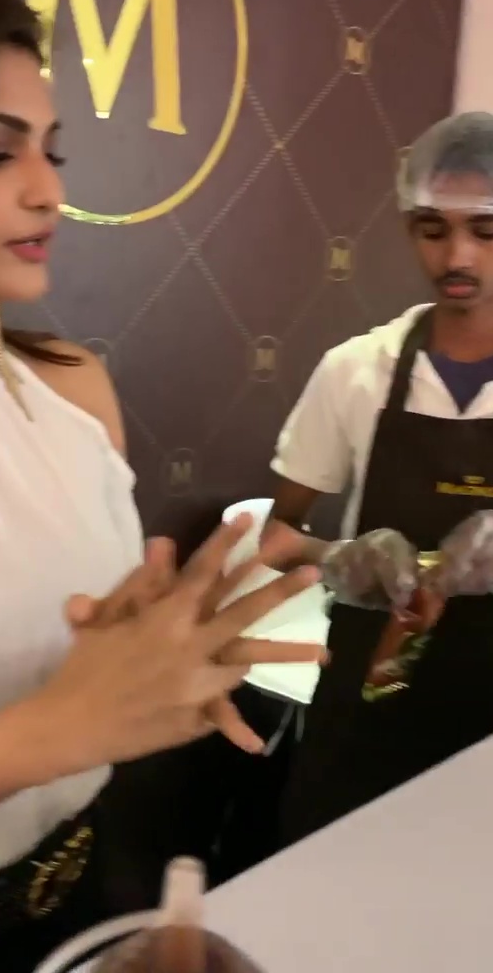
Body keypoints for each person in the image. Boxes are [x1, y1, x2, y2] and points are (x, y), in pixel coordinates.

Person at [0, 0, 325, 970]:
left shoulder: (70, 388)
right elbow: (62, 720)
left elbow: (74, 649)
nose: (49, 191)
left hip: (92, 885)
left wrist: (164, 643)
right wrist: (57, 725)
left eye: (51, 150)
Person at [264, 112, 493, 845]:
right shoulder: (356, 372)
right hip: (366, 709)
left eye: (486, 230)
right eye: (433, 229)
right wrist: (336, 556)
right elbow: (275, 535)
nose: (457, 256)